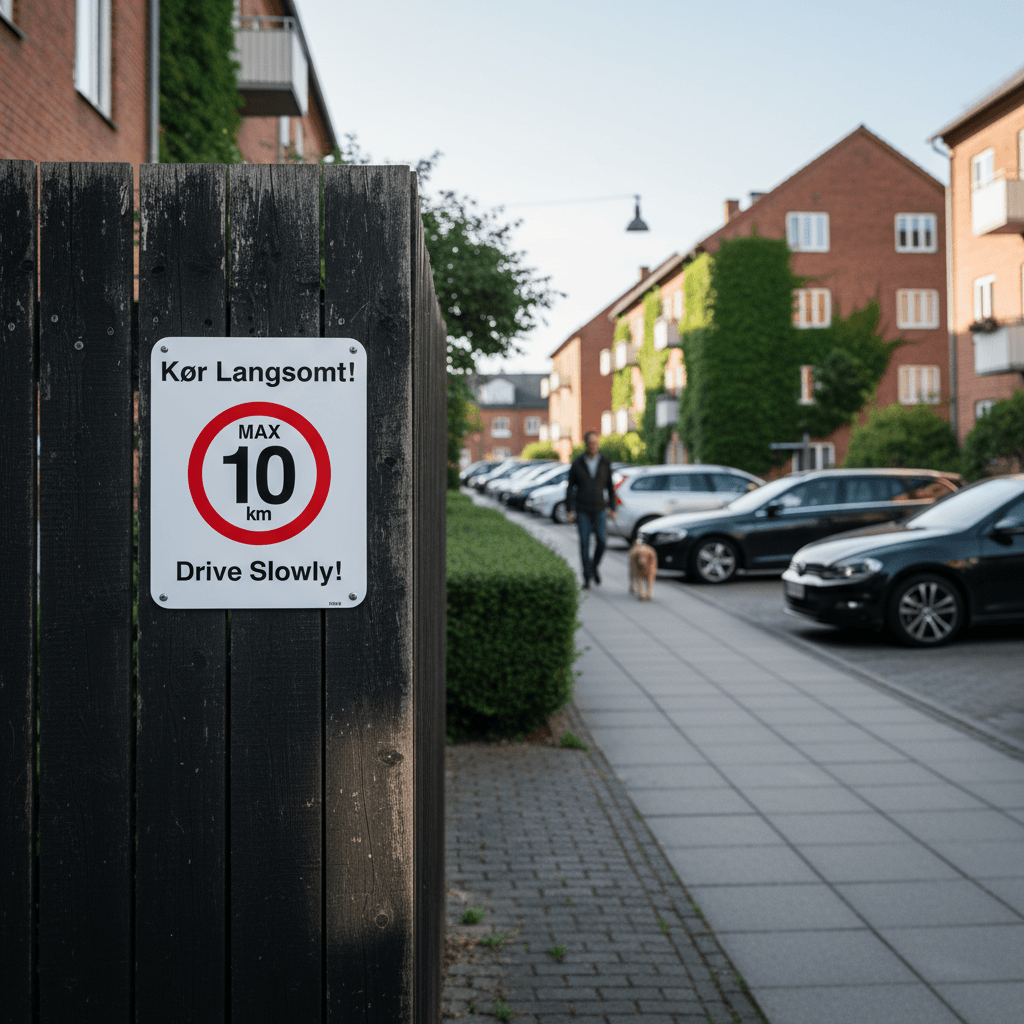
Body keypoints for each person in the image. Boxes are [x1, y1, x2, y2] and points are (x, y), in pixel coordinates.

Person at [566, 431, 616, 589]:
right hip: (582, 509)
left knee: (602, 541)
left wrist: (612, 507)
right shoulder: (578, 462)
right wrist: (569, 510)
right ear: (586, 444)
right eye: (591, 443)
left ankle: (593, 567)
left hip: (600, 508)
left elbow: (610, 487)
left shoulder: (605, 462)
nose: (594, 446)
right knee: (584, 543)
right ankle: (587, 578)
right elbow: (570, 487)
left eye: (596, 443)